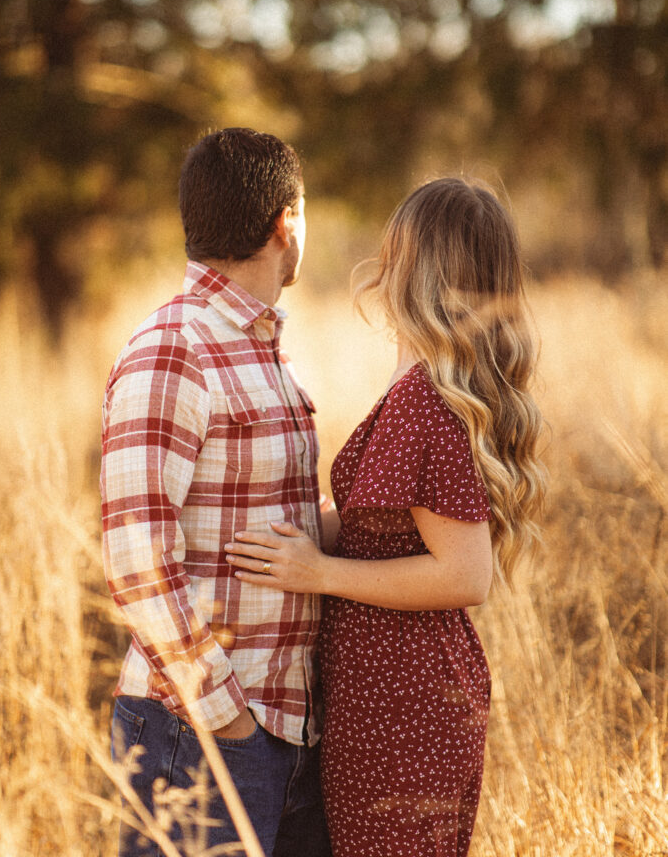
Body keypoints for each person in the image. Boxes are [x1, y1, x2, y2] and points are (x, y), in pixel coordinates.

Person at [224, 178, 547, 857]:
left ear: (419, 267)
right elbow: (382, 524)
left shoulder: (426, 403)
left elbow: (464, 575)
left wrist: (319, 572)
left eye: (396, 251)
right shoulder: (418, 383)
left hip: (405, 704)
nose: (381, 264)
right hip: (382, 694)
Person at [100, 128, 332, 857]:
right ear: (285, 223)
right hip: (198, 728)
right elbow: (137, 562)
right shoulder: (175, 349)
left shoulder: (262, 351)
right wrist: (227, 718)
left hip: (284, 728)